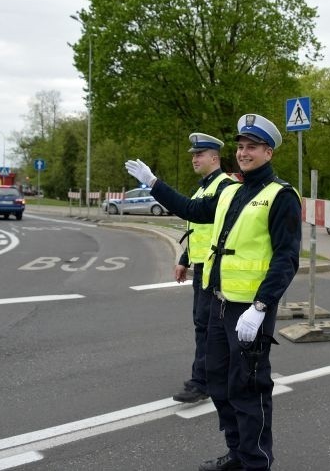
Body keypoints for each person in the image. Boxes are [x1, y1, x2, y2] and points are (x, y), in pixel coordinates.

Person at [125, 113, 301, 471]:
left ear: (268, 152)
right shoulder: (230, 191)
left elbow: (286, 258)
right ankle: (237, 454)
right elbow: (190, 209)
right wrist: (153, 183)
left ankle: (255, 463)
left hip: (249, 311)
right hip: (219, 304)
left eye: (252, 147)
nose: (243, 153)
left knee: (249, 390)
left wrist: (262, 306)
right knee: (220, 386)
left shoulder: (280, 196)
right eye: (240, 147)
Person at [171, 133, 235, 403]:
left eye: (199, 154)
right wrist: (185, 259)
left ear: (214, 158)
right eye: (193, 155)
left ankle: (202, 383)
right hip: (202, 268)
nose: (194, 159)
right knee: (206, 326)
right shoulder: (202, 189)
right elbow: (201, 230)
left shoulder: (224, 187)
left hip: (217, 271)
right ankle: (214, 377)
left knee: (208, 327)